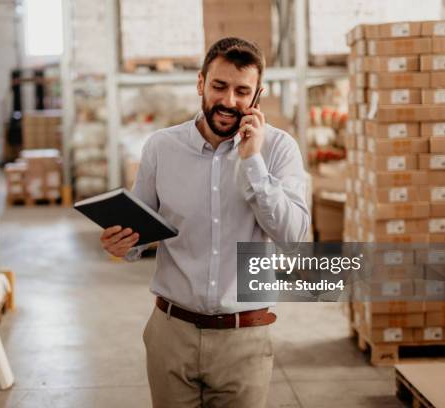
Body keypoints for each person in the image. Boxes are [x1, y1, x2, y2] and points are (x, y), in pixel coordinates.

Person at [100, 37, 309, 408]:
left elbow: (293, 237)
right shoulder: (161, 148)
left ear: (257, 96)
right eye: (219, 86)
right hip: (171, 334)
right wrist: (124, 244)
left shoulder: (279, 149)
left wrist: (253, 162)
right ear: (200, 83)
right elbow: (138, 237)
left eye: (242, 91)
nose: (229, 101)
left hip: (244, 338)